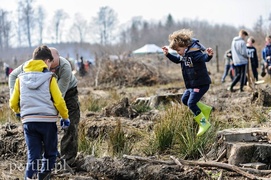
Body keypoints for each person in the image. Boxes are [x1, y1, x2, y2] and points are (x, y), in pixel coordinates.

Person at [9, 47, 80, 166]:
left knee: (71, 125)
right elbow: (12, 76)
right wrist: (16, 100)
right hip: (43, 94)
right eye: (50, 68)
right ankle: (44, 159)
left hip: (67, 93)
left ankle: (67, 160)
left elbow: (58, 98)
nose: (52, 71)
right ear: (45, 61)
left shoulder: (65, 68)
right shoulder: (29, 64)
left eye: (55, 68)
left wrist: (63, 116)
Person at [162, 29, 214, 137]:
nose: (178, 53)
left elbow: (204, 58)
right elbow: (177, 60)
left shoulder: (195, 53)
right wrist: (168, 54)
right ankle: (205, 109)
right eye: (176, 51)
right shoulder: (184, 55)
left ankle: (204, 123)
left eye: (179, 50)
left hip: (201, 84)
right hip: (192, 85)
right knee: (185, 100)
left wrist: (209, 55)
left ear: (185, 46)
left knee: (191, 103)